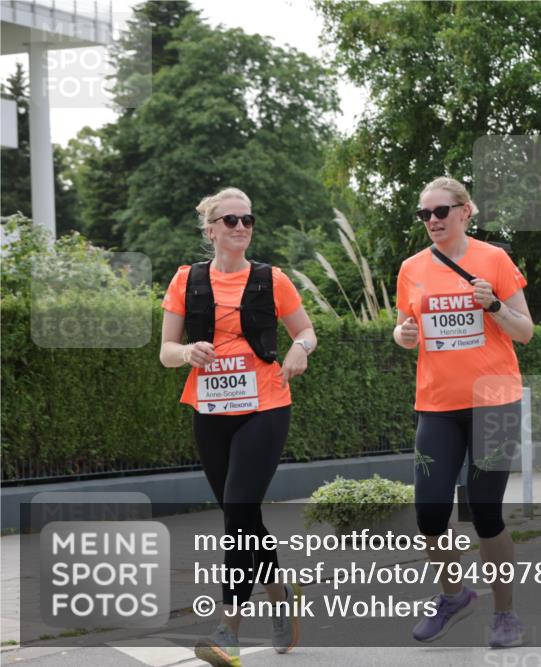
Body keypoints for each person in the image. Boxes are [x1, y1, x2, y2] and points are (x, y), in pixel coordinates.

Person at [160, 187, 317, 666]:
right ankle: (278, 592)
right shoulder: (186, 281)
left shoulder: (273, 280)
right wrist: (188, 352)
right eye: (230, 221)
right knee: (241, 514)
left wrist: (300, 349)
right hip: (210, 409)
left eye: (247, 220)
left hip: (265, 405)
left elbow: (306, 331)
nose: (241, 227)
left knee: (237, 510)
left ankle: (227, 629)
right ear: (210, 230)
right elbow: (166, 352)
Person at [393, 177, 534, 648]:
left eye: (441, 211)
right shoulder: (411, 268)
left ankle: (505, 614)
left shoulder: (494, 259)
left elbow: (525, 332)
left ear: (465, 211)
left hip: (493, 402)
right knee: (430, 512)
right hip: (436, 404)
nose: (432, 220)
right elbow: (403, 326)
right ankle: (454, 596)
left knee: (485, 511)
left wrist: (493, 304)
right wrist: (403, 336)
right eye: (424, 214)